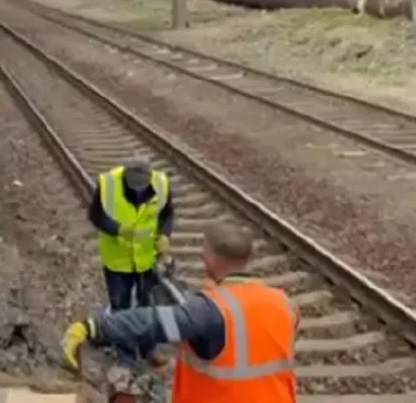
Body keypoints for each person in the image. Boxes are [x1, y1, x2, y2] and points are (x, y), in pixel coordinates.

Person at [61, 223, 298, 403]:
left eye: (204, 250)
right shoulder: (284, 303)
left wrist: (94, 326)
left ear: (212, 258)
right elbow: (249, 332)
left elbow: (151, 321)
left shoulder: (209, 310)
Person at [87, 161, 174, 367]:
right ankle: (126, 356)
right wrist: (117, 229)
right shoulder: (108, 184)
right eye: (133, 185)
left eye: (141, 185)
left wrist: (165, 235)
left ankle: (148, 349)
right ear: (125, 178)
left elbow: (166, 214)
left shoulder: (161, 184)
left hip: (146, 259)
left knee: (148, 305)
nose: (138, 189)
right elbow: (95, 215)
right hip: (117, 261)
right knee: (121, 307)